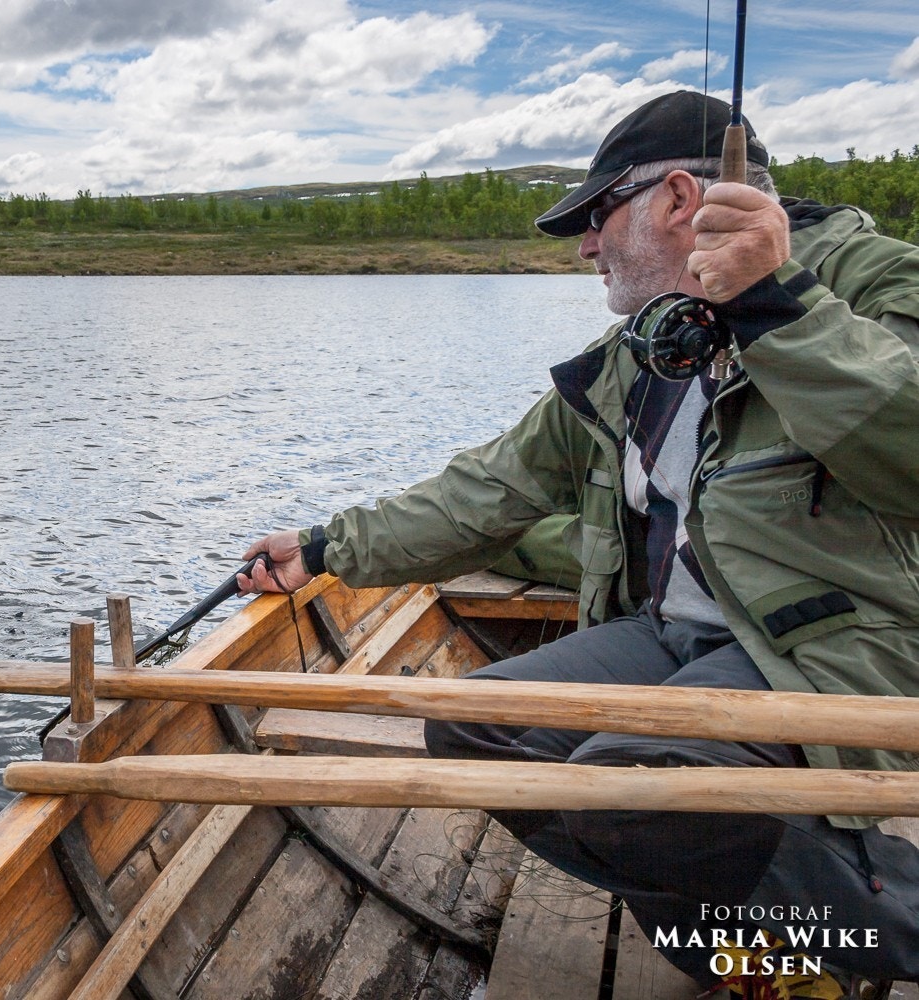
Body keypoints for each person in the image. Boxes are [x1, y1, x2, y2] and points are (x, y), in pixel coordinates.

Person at [237, 90, 919, 993]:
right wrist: (324, 549)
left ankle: (890, 933)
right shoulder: (643, 346)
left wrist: (775, 306)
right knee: (478, 729)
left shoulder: (880, 282)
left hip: (827, 649)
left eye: (598, 218)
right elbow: (490, 488)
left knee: (635, 780)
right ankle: (742, 949)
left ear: (679, 199)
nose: (586, 247)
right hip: (673, 637)